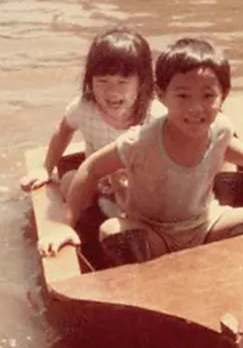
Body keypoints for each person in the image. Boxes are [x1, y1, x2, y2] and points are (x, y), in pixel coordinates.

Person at [38, 37, 243, 264]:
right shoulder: (142, 140)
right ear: (161, 96)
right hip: (153, 232)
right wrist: (65, 224)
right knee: (113, 233)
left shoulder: (221, 127)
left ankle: (212, 265)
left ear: (224, 95)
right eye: (183, 96)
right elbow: (92, 168)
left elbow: (226, 146)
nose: (196, 108)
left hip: (206, 223)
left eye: (208, 96)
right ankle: (152, 280)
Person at [19, 26, 158, 215]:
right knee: (69, 181)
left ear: (142, 83)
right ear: (90, 81)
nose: (111, 91)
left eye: (122, 82)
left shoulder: (155, 116)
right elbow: (63, 131)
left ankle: (115, 212)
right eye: (102, 81)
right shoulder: (85, 108)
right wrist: (46, 168)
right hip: (96, 180)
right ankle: (98, 206)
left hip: (137, 186)